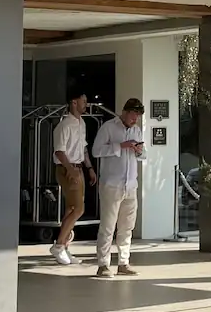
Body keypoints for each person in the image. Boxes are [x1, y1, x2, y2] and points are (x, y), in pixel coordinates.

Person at [91, 98, 145, 278]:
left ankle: (123, 262)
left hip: (130, 185)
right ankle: (103, 264)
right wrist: (120, 146)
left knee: (127, 227)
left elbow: (143, 155)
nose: (135, 119)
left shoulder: (137, 130)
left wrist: (139, 151)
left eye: (138, 116)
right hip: (112, 185)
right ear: (125, 112)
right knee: (108, 226)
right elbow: (96, 151)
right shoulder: (108, 127)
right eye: (133, 115)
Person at [49, 92, 96, 266]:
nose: (86, 104)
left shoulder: (82, 123)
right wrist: (71, 170)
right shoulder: (64, 125)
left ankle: (64, 246)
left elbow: (83, 148)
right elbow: (59, 151)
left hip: (78, 167)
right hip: (67, 169)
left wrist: (89, 168)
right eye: (83, 101)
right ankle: (58, 246)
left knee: (71, 208)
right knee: (78, 208)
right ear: (74, 102)